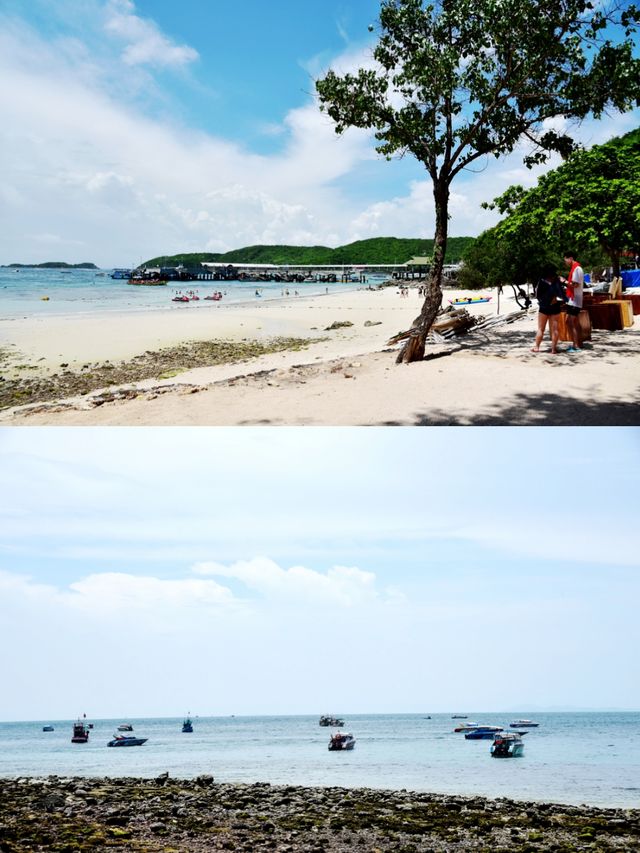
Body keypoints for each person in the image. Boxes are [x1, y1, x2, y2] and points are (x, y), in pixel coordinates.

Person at [532, 264, 564, 353]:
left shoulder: (542, 281)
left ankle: (537, 347)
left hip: (544, 307)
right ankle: (553, 349)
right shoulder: (557, 281)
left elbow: (537, 295)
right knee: (555, 329)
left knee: (541, 329)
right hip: (555, 306)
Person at [563, 251, 585, 351]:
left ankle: (576, 345)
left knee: (571, 322)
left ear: (570, 258)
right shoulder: (576, 268)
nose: (565, 262)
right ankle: (579, 343)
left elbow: (575, 285)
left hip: (575, 300)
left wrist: (564, 281)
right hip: (574, 300)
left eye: (566, 260)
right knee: (572, 322)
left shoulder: (576, 269)